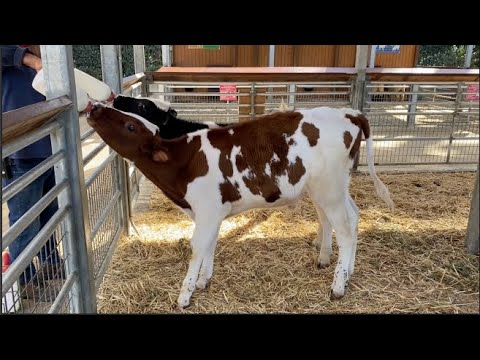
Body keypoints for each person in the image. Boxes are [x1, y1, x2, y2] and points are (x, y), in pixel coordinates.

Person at [2, 45, 64, 302]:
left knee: (50, 212)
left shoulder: (46, 53)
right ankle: (24, 281)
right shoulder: (13, 54)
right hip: (21, 150)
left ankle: (50, 263)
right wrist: (31, 60)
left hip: (50, 144)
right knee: (25, 220)